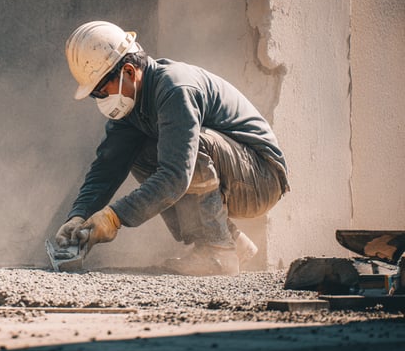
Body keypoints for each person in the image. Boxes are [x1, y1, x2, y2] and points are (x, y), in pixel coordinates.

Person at [54, 21, 289, 275]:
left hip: (262, 179)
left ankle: (218, 250)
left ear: (130, 72)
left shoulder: (175, 90)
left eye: (101, 91)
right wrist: (78, 215)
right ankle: (232, 242)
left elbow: (177, 175)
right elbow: (108, 165)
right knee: (141, 153)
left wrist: (114, 217)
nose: (100, 99)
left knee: (188, 149)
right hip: (237, 173)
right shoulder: (133, 107)